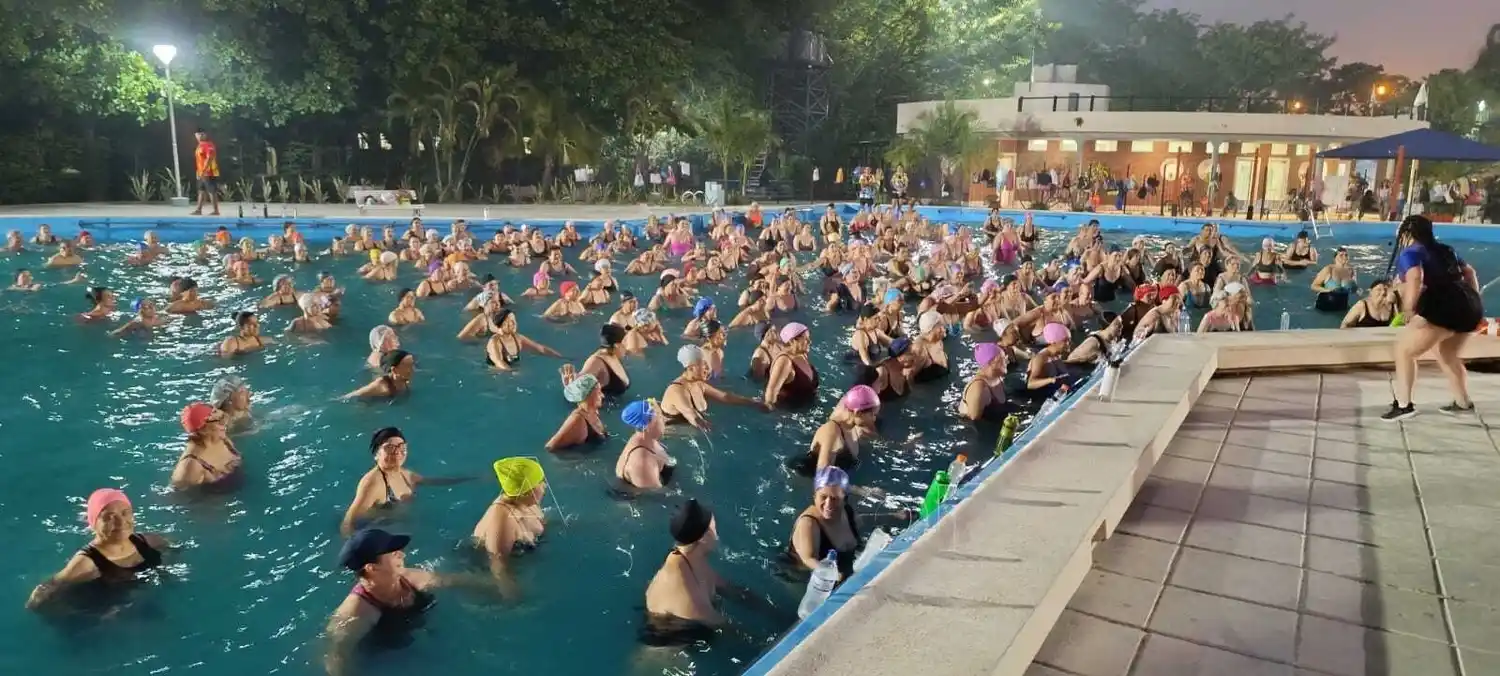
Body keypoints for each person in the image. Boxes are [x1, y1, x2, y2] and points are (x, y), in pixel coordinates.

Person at [1385, 215, 1482, 421]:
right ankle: (1463, 403)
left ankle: (1404, 406)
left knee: (1404, 351)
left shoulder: (1410, 253)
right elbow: (1470, 272)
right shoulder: (1447, 249)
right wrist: (1472, 299)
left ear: (1407, 234)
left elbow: (1416, 278)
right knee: (1446, 352)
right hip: (1470, 305)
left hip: (1444, 307)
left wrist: (1408, 310)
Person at [26, 489, 169, 609]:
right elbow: (46, 592)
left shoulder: (149, 541)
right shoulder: (85, 563)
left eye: (125, 513)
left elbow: (173, 550)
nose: (120, 522)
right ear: (94, 524)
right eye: (108, 517)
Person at [323, 529, 438, 675]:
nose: (402, 554)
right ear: (372, 568)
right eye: (393, 552)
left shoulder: (409, 578)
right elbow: (336, 658)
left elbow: (459, 581)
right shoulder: (357, 612)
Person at [642, 499, 723, 643]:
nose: (717, 534)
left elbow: (722, 585)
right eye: (714, 527)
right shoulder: (687, 589)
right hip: (668, 655)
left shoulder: (686, 558)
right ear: (705, 537)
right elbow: (725, 628)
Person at [782, 467, 863, 582]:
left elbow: (860, 521)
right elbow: (808, 559)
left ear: (844, 499)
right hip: (797, 575)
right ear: (815, 496)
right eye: (823, 497)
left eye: (834, 498)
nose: (828, 504)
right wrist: (834, 575)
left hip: (842, 566)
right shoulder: (809, 524)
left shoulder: (847, 512)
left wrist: (891, 516)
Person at [472, 458, 549, 572]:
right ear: (527, 491)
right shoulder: (502, 518)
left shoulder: (527, 502)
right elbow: (498, 568)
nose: (545, 485)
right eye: (540, 482)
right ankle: (444, 580)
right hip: (484, 566)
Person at [172, 402, 243, 489]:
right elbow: (181, 498)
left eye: (222, 416)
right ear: (203, 430)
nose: (224, 423)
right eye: (219, 421)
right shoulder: (191, 467)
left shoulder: (222, 440)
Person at [615, 399, 677, 490]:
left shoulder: (646, 438)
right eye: (659, 418)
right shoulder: (642, 463)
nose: (664, 420)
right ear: (647, 426)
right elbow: (660, 497)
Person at [546, 374, 609, 451]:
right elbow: (550, 447)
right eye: (598, 392)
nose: (602, 396)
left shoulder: (593, 413)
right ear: (587, 395)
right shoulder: (578, 420)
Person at [346, 350, 415, 399]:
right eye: (408, 366)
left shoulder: (404, 379)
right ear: (394, 370)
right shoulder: (381, 387)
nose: (412, 369)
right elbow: (351, 397)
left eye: (412, 365)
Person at [191, 129, 221, 216]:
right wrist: (198, 172)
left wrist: (204, 170)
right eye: (197, 135)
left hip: (209, 172)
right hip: (201, 173)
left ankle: (216, 210)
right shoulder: (199, 146)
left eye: (201, 135)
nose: (199, 136)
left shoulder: (208, 145)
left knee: (212, 191)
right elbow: (199, 160)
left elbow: (209, 158)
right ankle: (198, 209)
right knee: (201, 190)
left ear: (205, 135)